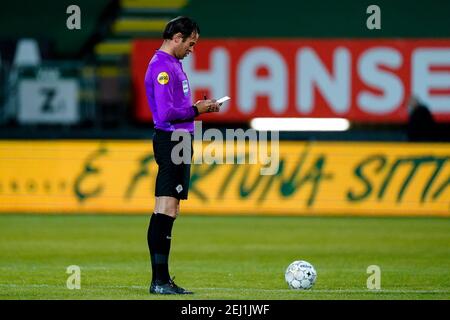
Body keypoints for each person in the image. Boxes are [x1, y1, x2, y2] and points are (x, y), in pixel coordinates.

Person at [144, 16, 221, 295]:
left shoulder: (173, 64)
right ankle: (159, 281)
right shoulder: (162, 67)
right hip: (171, 140)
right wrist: (198, 109)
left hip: (179, 140)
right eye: (190, 43)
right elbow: (164, 114)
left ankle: (161, 280)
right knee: (164, 208)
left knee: (171, 209)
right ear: (177, 37)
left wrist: (200, 109)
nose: (192, 49)